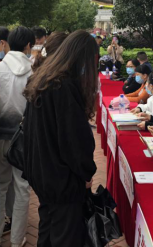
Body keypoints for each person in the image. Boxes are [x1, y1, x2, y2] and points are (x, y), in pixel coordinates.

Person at [23, 30, 98, 245]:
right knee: (65, 235)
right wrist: (86, 171)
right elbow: (74, 140)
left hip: (42, 173)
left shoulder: (43, 79)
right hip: (62, 180)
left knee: (47, 229)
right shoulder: (63, 86)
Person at [0, 26, 35, 247]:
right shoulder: (35, 72)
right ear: (28, 45)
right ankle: (17, 239)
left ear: (7, 42)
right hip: (24, 138)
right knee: (22, 188)